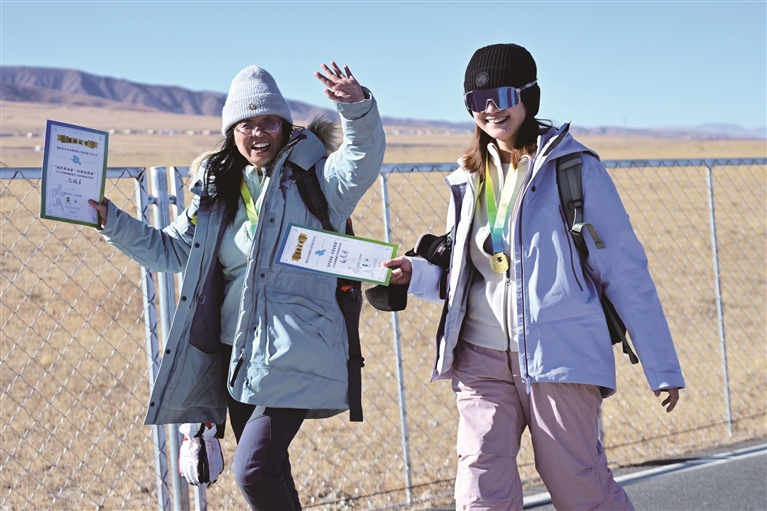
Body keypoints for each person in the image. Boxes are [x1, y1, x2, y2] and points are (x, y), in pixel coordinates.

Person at [381, 43, 685, 511]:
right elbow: (467, 272)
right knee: (479, 491)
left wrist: (660, 365)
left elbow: (624, 271)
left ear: (529, 95)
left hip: (558, 356)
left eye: (502, 95)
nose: (489, 109)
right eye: (475, 100)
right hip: (480, 357)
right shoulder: (468, 177)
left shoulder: (575, 169)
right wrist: (414, 274)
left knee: (578, 485)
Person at [89, 62, 385, 510]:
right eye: (246, 124)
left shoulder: (319, 179)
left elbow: (362, 159)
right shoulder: (218, 190)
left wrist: (357, 108)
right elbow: (170, 251)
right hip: (238, 353)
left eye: (269, 121)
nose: (258, 133)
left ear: (285, 126)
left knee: (254, 470)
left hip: (295, 349)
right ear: (232, 133)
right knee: (273, 471)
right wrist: (110, 221)